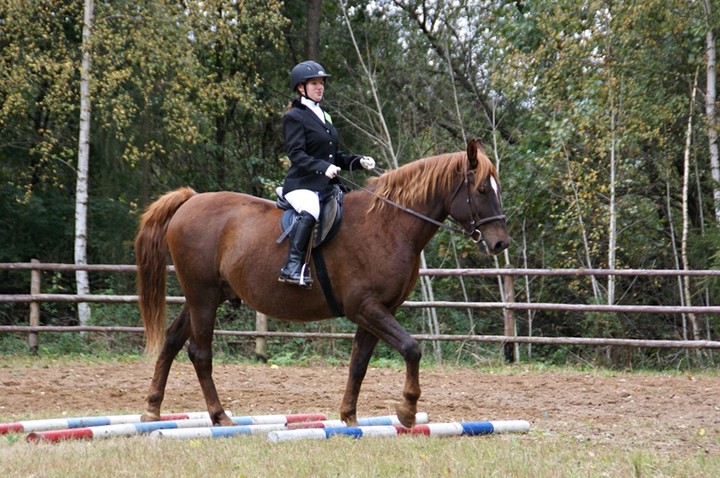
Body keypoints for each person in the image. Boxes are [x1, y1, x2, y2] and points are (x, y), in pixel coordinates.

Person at [279, 60, 375, 288]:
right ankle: (291, 267)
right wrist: (323, 167)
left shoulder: (324, 116)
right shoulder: (294, 117)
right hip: (302, 184)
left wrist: (358, 161)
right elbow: (297, 154)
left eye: (321, 83)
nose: (320, 87)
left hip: (326, 186)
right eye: (314, 83)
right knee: (310, 210)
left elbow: (334, 155)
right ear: (301, 88)